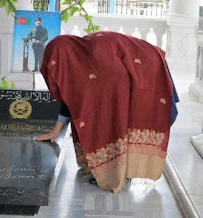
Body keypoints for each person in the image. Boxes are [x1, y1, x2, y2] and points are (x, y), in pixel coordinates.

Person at [35, 31, 179, 194]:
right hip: (138, 64)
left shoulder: (99, 62)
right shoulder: (81, 54)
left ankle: (118, 173)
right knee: (114, 116)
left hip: (149, 69)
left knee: (114, 117)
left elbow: (110, 106)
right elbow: (71, 97)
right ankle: (123, 170)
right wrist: (56, 130)